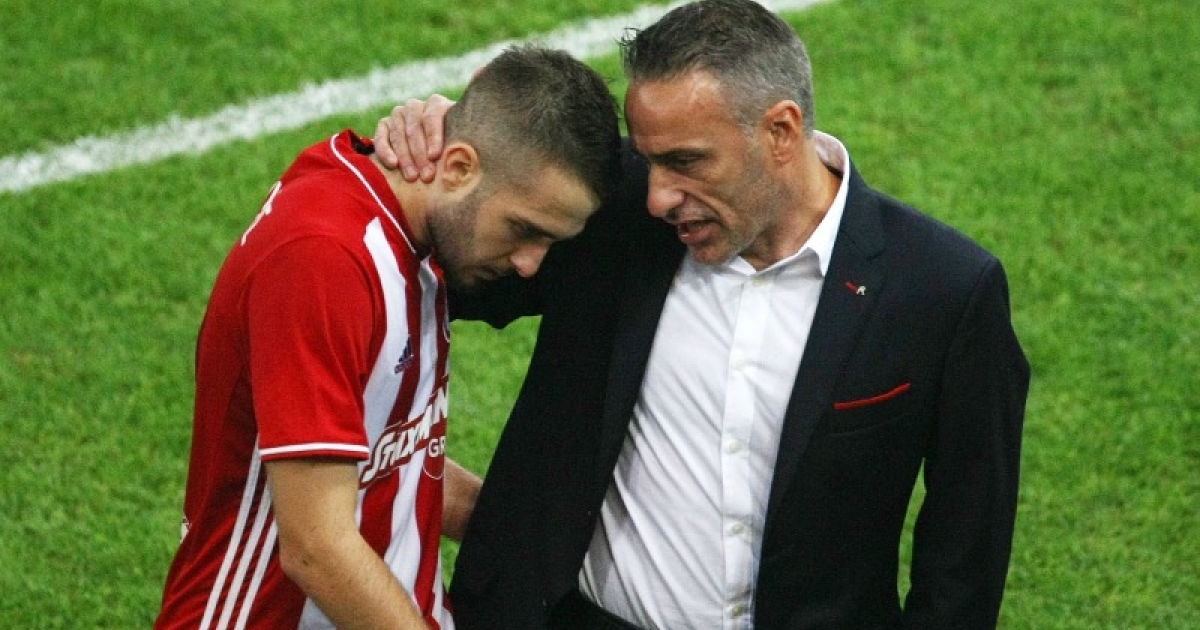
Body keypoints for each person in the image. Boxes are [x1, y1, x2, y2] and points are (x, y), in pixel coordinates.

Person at [375, 1, 1030, 628]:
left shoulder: (943, 290)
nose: (659, 196)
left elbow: (963, 568)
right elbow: (395, 284)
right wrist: (440, 162)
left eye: (685, 162)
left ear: (781, 132)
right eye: (648, 160)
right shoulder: (606, 210)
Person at [153, 44, 621, 630]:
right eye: (524, 230)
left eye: (550, 241)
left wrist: (537, 538)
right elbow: (316, 548)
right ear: (458, 168)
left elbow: (391, 460)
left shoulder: (421, 234)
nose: (530, 264)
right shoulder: (324, 260)